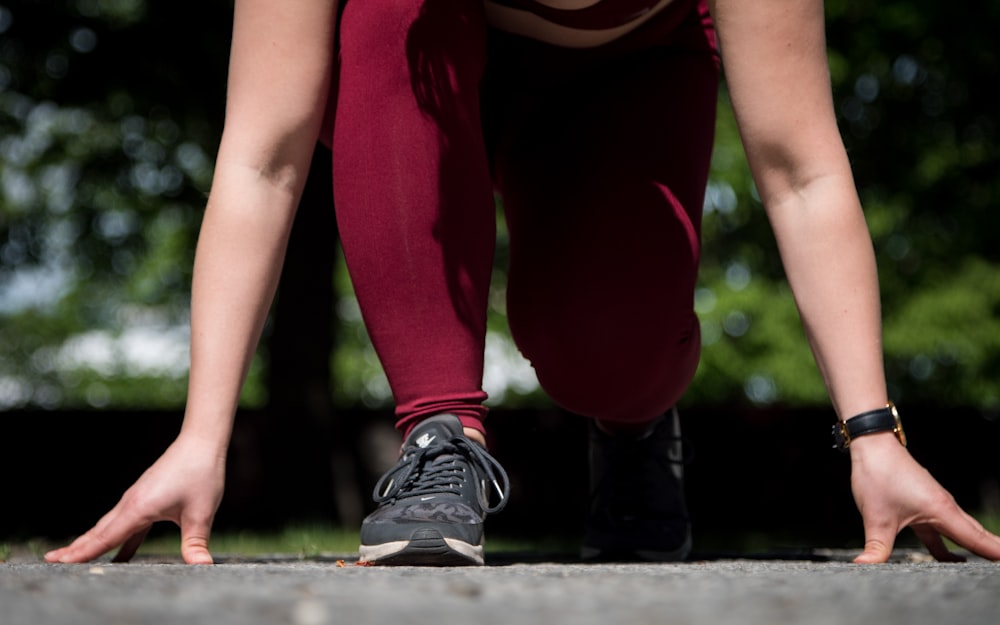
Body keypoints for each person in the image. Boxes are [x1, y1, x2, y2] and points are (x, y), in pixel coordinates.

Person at [45, 0, 1000, 566]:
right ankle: (439, 435)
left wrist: (873, 437)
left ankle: (634, 427)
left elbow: (803, 168)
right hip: (412, 74)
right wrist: (201, 436)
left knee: (608, 349)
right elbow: (261, 157)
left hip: (623, 79)